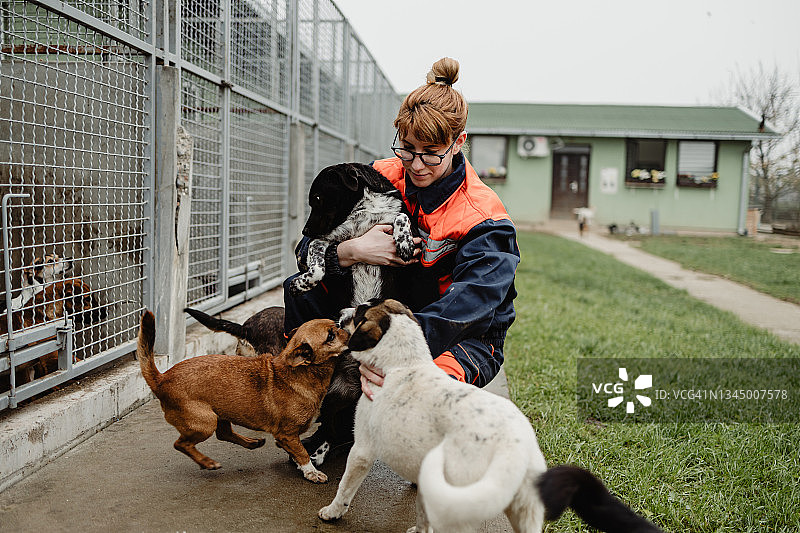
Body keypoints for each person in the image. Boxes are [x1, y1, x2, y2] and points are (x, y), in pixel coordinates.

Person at [283, 57, 520, 454]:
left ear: (458, 143)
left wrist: (388, 353)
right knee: (300, 287)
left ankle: (431, 444)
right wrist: (350, 250)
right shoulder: (377, 177)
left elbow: (471, 306)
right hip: (386, 311)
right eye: (407, 150)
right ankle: (330, 418)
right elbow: (307, 248)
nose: (416, 164)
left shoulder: (483, 216)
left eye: (432, 153)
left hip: (458, 333)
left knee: (418, 401)